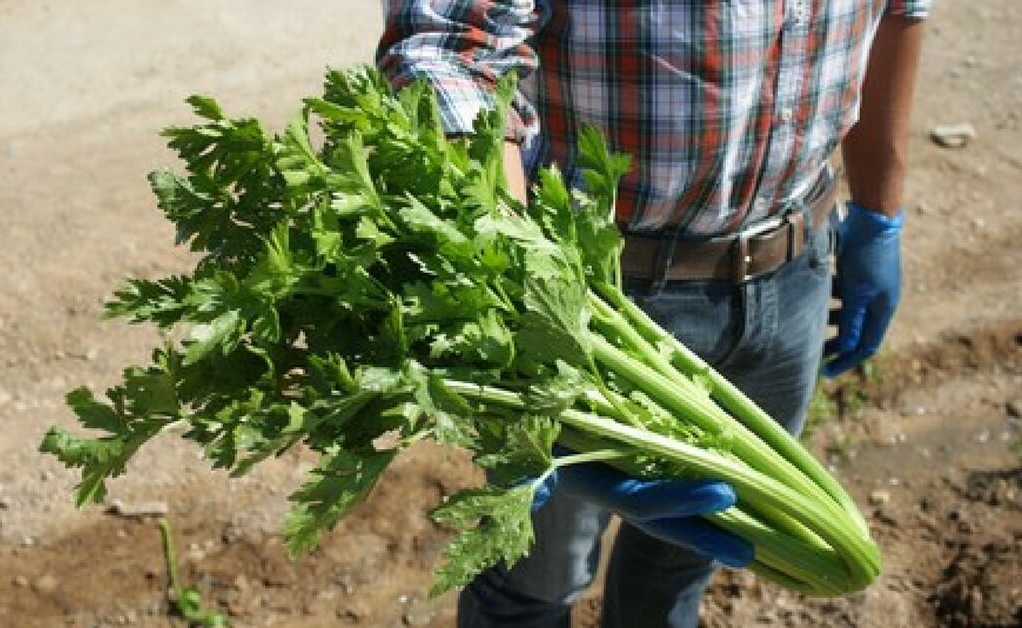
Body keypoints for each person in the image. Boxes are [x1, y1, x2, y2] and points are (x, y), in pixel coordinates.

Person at [376, 1, 928, 626]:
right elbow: (447, 51)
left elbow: (901, 9)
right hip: (592, 300)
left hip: (795, 260)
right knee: (534, 578)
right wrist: (521, 323)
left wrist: (880, 212)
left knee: (680, 567)